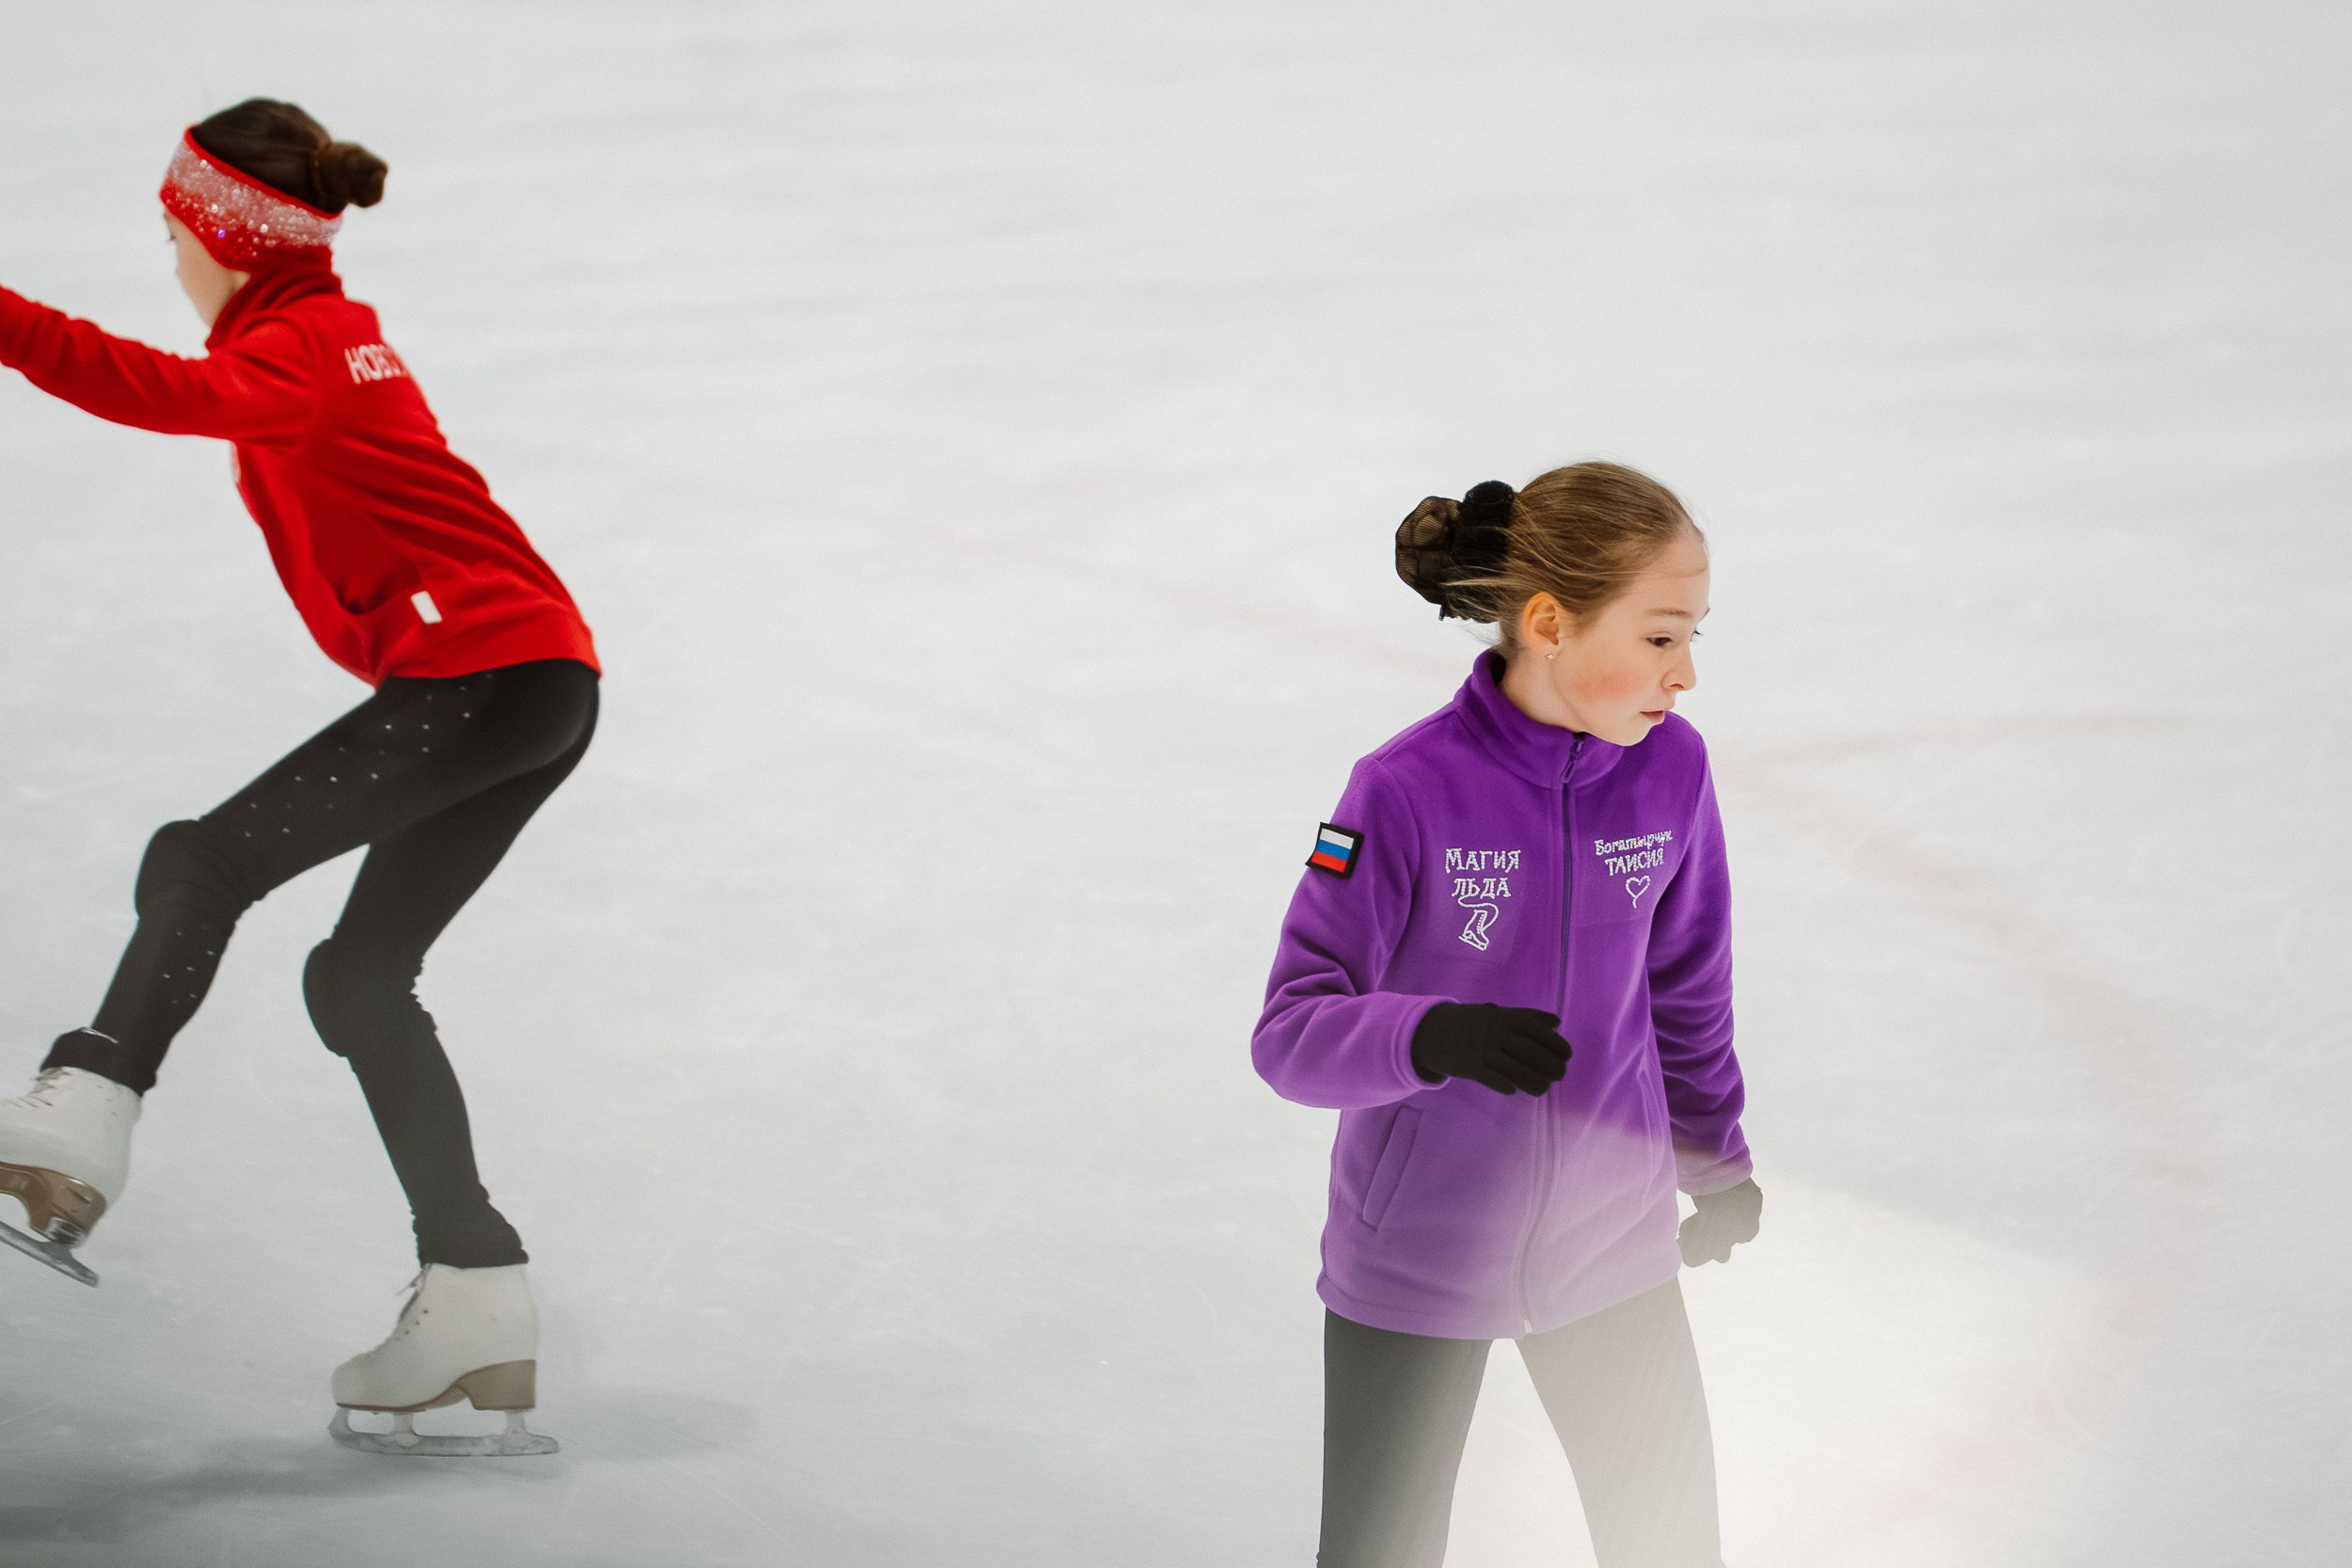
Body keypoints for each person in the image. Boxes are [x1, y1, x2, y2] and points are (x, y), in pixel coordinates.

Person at [0, 100, 597, 1456]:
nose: (170, 259)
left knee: (199, 860)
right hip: (538, 681)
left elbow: (165, 392)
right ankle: (476, 1294)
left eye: (174, 235)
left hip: (481, 676)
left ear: (225, 236)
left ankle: (81, 1113)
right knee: (360, 977)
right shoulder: (330, 333)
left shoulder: (299, 347)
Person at [1253, 464, 1763, 1565]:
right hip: (1416, 1259)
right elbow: (1290, 1032)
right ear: (1547, 623)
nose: (1685, 676)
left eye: (1694, 638)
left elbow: (1686, 988)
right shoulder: (1402, 790)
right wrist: (1427, 1035)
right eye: (1664, 636)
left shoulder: (1671, 770)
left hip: (1612, 1244)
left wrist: (1716, 1163)